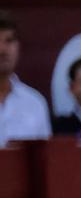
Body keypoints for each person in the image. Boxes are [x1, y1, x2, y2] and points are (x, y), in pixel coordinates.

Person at [0, 11, 50, 146]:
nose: (3, 50)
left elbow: (44, 161)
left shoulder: (35, 103)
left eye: (9, 41)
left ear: (18, 47)